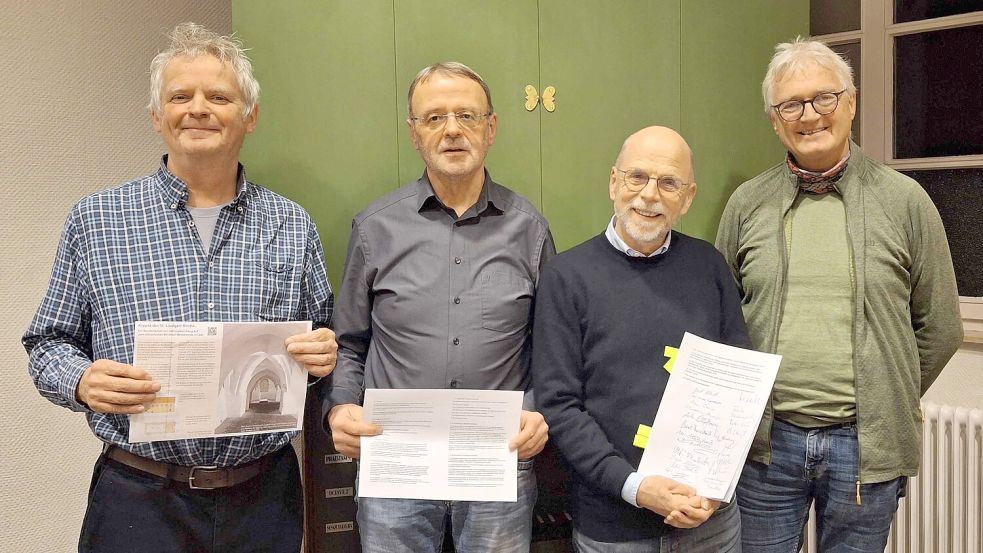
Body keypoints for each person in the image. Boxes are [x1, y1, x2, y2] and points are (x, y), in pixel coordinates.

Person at [23, 23, 337, 553]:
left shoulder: (291, 224)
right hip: (138, 498)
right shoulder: (97, 220)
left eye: (218, 96)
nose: (198, 108)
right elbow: (47, 344)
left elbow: (327, 337)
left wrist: (325, 351)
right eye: (180, 96)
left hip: (263, 499)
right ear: (157, 116)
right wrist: (81, 380)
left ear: (250, 115)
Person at [715, 38, 963, 553]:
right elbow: (719, 317)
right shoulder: (747, 205)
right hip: (765, 448)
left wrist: (884, 396)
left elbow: (940, 327)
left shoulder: (905, 201)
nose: (809, 115)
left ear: (850, 103)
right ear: (774, 120)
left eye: (823, 98)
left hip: (864, 449)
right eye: (790, 105)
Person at [325, 61, 554, 553]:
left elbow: (551, 347)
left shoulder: (529, 229)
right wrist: (341, 406)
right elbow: (348, 343)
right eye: (434, 118)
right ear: (414, 133)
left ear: (491, 128)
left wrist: (537, 411)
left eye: (467, 116)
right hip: (396, 468)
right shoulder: (374, 228)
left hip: (498, 463)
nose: (452, 130)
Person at [533, 126, 748, 552]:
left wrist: (714, 489)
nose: (650, 195)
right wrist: (636, 487)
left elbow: (740, 389)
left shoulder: (710, 266)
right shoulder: (566, 278)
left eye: (669, 183)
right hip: (614, 527)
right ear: (614, 182)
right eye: (637, 177)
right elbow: (559, 404)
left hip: (711, 522)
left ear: (687, 198)